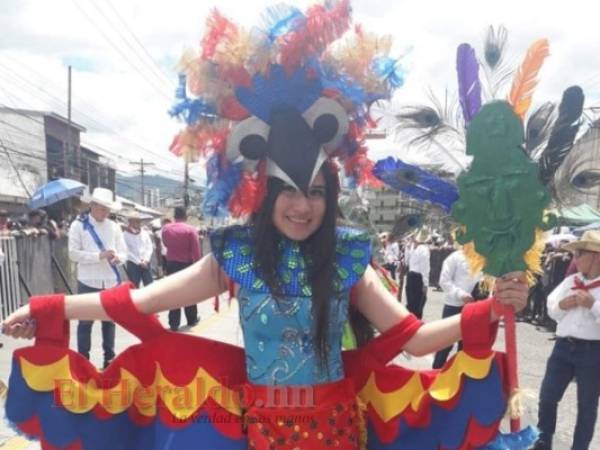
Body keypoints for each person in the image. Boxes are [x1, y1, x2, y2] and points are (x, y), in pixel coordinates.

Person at [1, 3, 530, 448]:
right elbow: (137, 304)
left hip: (339, 432)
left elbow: (414, 341)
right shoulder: (236, 255)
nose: (304, 206)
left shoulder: (346, 256)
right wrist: (49, 308)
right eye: (290, 192)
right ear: (265, 193)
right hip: (261, 432)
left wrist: (491, 310)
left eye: (317, 193)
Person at [532, 230, 600, 450]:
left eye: (579, 253)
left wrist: (593, 305)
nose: (575, 259)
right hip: (563, 346)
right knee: (548, 397)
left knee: (587, 405)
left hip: (593, 350)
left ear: (596, 256)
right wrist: (563, 305)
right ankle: (543, 443)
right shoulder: (571, 280)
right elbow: (551, 306)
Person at [67, 187, 127, 369]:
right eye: (102, 208)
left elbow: (123, 251)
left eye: (107, 209)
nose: (105, 212)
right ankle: (82, 360)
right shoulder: (78, 225)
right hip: (88, 280)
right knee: (85, 322)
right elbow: (73, 254)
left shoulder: (114, 226)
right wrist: (98, 256)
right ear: (92, 206)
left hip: (110, 279)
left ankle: (109, 358)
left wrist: (118, 258)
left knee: (109, 322)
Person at [432, 247, 482, 368]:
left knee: (465, 346)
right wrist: (461, 294)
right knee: (445, 344)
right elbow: (444, 281)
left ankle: (458, 378)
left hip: (473, 308)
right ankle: (435, 375)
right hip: (453, 306)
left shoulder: (481, 259)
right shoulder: (454, 257)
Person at [161, 206, 201, 330]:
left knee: (173, 293)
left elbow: (166, 244)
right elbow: (196, 251)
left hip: (172, 264)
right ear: (186, 217)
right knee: (189, 293)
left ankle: (174, 323)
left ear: (174, 216)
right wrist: (197, 266)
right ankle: (191, 319)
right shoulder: (191, 230)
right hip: (187, 265)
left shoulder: (166, 229)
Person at [123, 211, 155, 288]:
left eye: (139, 220)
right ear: (130, 221)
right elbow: (126, 251)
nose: (138, 222)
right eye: (135, 220)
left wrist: (146, 260)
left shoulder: (145, 233)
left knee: (150, 286)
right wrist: (138, 262)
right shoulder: (124, 235)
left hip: (146, 263)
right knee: (134, 287)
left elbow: (149, 246)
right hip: (133, 264)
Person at [405, 228, 431, 318]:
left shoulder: (413, 249)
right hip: (418, 277)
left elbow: (406, 262)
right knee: (418, 303)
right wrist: (426, 283)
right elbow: (425, 268)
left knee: (411, 302)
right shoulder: (424, 249)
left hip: (410, 275)